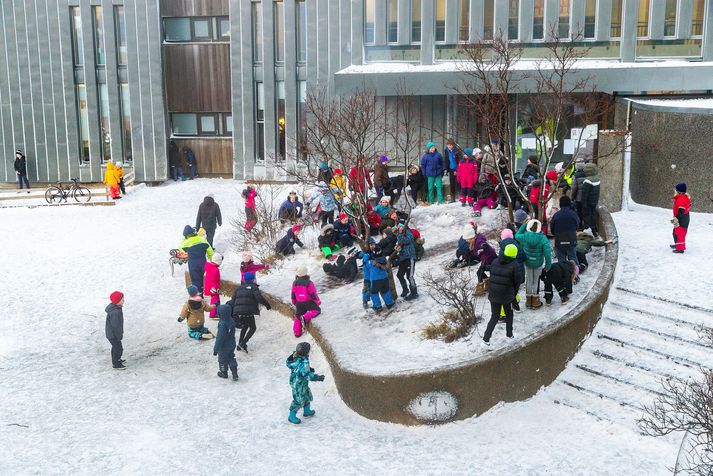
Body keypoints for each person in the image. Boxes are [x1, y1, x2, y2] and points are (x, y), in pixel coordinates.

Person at [482, 244, 522, 346]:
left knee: (494, 316)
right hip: (506, 295)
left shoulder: (495, 261)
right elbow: (517, 282)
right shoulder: (515, 265)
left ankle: (485, 340)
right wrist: (514, 294)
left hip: (493, 294)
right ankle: (510, 335)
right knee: (509, 314)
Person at [515, 219, 552, 310]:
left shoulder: (525, 236)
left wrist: (524, 225)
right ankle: (535, 302)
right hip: (538, 263)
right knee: (535, 281)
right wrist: (548, 265)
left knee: (529, 280)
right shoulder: (543, 238)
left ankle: (528, 301)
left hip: (527, 262)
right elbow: (547, 253)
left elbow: (516, 235)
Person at [231, 272, 272, 353]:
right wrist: (267, 305)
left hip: (239, 311)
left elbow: (233, 300)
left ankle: (239, 344)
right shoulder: (253, 287)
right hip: (248, 311)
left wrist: (234, 311)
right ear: (253, 280)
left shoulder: (238, 288)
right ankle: (242, 343)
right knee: (253, 328)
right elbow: (259, 298)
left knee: (245, 326)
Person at [286, 342, 325, 424]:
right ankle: (291, 416)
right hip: (298, 384)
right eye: (309, 350)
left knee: (306, 395)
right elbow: (307, 375)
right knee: (298, 400)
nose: (309, 351)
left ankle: (307, 411)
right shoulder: (304, 362)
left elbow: (299, 367)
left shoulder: (296, 357)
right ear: (305, 352)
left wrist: (309, 369)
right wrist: (318, 377)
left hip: (300, 382)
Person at [179, 225, 214, 294]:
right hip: (203, 262)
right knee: (201, 278)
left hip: (193, 263)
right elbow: (210, 252)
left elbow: (180, 249)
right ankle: (201, 291)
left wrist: (185, 240)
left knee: (195, 280)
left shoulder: (186, 243)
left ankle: (198, 296)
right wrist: (212, 262)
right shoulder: (202, 240)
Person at [499, 228, 526, 312]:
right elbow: (524, 257)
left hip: (507, 274)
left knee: (509, 290)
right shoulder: (518, 246)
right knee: (514, 289)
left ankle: (514, 304)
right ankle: (515, 304)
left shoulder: (502, 249)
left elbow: (500, 261)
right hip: (519, 273)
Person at [291, 266, 321, 337]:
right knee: (317, 310)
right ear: (305, 273)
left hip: (299, 303)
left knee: (297, 316)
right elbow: (313, 294)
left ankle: (297, 332)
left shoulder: (294, 282)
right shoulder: (309, 282)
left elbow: (293, 293)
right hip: (308, 302)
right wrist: (317, 301)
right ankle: (305, 317)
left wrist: (294, 301)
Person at [364, 246, 395, 313]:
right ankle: (390, 304)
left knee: (374, 293)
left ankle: (378, 306)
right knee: (386, 291)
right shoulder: (384, 259)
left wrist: (366, 255)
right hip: (385, 278)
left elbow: (366, 263)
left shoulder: (371, 262)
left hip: (376, 280)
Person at [550, 195, 580, 265]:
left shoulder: (556, 215)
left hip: (559, 240)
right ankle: (575, 274)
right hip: (571, 240)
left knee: (561, 260)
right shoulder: (573, 214)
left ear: (560, 204)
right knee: (573, 258)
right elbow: (577, 226)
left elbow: (552, 229)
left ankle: (563, 274)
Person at [213, 304, 239, 381]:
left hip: (223, 346)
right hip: (232, 343)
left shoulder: (223, 324)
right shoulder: (231, 320)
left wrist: (215, 349)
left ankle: (224, 373)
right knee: (231, 357)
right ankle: (235, 374)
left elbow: (220, 338)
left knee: (222, 359)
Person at [394, 222, 418, 300]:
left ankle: (414, 292)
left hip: (409, 257)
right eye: (398, 227)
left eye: (401, 226)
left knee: (409, 276)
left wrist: (399, 234)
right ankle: (405, 289)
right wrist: (397, 248)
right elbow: (399, 243)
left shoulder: (408, 232)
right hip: (402, 258)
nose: (399, 228)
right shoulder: (399, 235)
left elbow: (406, 241)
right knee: (399, 275)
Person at [473, 229, 498, 296]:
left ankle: (480, 289)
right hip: (487, 259)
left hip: (490, 259)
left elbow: (484, 245)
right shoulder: (476, 239)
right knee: (480, 272)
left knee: (479, 272)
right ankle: (488, 283)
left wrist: (482, 248)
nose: (466, 240)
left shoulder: (478, 240)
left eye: (467, 239)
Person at [105, 291, 125, 370]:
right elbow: (115, 325)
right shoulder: (115, 312)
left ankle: (116, 359)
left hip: (112, 334)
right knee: (118, 348)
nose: (124, 300)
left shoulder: (116, 308)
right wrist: (119, 335)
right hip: (113, 334)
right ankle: (116, 364)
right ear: (117, 301)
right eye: (122, 299)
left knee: (116, 347)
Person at [580, 162, 601, 236]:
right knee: (593, 216)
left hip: (588, 203)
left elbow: (584, 194)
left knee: (587, 216)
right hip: (594, 201)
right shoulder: (597, 179)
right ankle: (595, 230)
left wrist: (583, 204)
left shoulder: (587, 181)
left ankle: (587, 230)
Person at [671, 183, 691, 254]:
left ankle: (680, 249)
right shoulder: (683, 197)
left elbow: (681, 210)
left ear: (679, 191)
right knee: (675, 232)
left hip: (682, 219)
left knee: (680, 233)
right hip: (683, 217)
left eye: (676, 190)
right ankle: (677, 245)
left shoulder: (681, 199)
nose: (675, 191)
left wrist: (677, 219)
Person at [204, 253, 223, 320]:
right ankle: (213, 314)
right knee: (215, 301)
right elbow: (212, 279)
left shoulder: (211, 267)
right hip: (213, 288)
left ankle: (217, 312)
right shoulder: (214, 269)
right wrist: (214, 288)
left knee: (216, 300)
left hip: (212, 287)